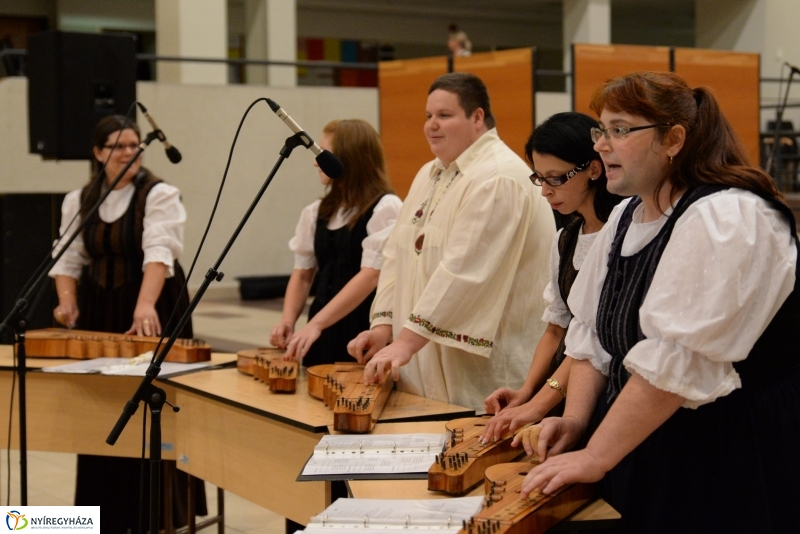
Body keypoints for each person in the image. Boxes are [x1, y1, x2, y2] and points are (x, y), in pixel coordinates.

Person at [520, 71, 800, 532]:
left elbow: (677, 363)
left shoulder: (727, 216)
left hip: (731, 446)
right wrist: (575, 421)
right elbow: (591, 332)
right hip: (646, 434)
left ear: (673, 140)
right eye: (601, 130)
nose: (602, 146)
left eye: (620, 130)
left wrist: (596, 454)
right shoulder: (625, 216)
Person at [348, 72, 555, 411]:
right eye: (428, 116)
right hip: (421, 358)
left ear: (477, 117)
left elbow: (466, 271)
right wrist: (384, 326)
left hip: (487, 372)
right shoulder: (429, 173)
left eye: (445, 115)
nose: (432, 125)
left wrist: (404, 343)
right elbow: (398, 254)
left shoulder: (498, 177)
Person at [49, 115, 205, 533]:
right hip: (101, 310)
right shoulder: (78, 199)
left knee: (153, 409)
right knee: (100, 410)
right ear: (98, 153)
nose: (128, 152)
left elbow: (160, 252)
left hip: (153, 303)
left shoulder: (159, 194)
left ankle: (157, 516)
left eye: (134, 144)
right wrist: (67, 303)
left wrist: (144, 306)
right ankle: (104, 518)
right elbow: (66, 258)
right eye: (117, 146)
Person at [481, 112, 624, 444]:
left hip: (603, 388)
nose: (545, 191)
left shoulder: (621, 228)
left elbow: (590, 337)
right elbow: (557, 328)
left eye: (556, 178)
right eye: (539, 178)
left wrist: (540, 402)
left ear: (593, 168)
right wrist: (526, 391)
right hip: (565, 389)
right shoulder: (566, 238)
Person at [270, 119, 402, 366]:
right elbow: (302, 274)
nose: (315, 161)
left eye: (323, 153)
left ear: (349, 158)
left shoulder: (386, 208)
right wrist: (288, 321)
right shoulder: (316, 211)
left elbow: (371, 275)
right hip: (320, 327)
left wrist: (316, 323)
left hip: (363, 328)